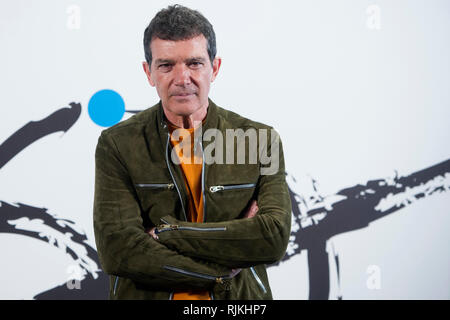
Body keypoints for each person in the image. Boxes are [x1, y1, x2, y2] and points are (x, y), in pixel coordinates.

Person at [93, 4, 291, 300]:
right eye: (166, 65)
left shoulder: (260, 139)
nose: (182, 77)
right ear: (149, 72)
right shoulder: (118, 143)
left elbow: (272, 238)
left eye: (195, 63)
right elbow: (119, 251)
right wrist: (219, 274)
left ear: (216, 67)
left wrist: (166, 233)